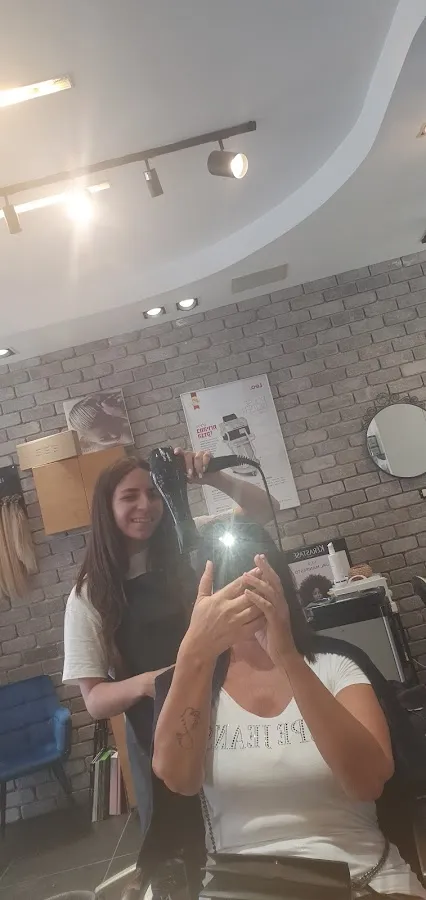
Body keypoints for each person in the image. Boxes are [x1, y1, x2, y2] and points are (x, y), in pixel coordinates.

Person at [152, 521, 426, 898]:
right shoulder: (192, 681)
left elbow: (367, 783)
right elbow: (178, 779)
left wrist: (287, 657)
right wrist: (194, 653)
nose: (244, 596)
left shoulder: (337, 664)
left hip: (362, 877)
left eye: (256, 580)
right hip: (243, 886)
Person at [62, 449, 279, 842]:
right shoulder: (90, 594)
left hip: (230, 717)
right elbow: (95, 700)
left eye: (153, 493)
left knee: (251, 831)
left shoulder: (191, 544)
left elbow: (266, 508)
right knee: (184, 844)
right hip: (160, 733)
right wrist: (154, 682)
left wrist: (210, 477)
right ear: (106, 508)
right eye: (129, 497)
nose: (145, 506)